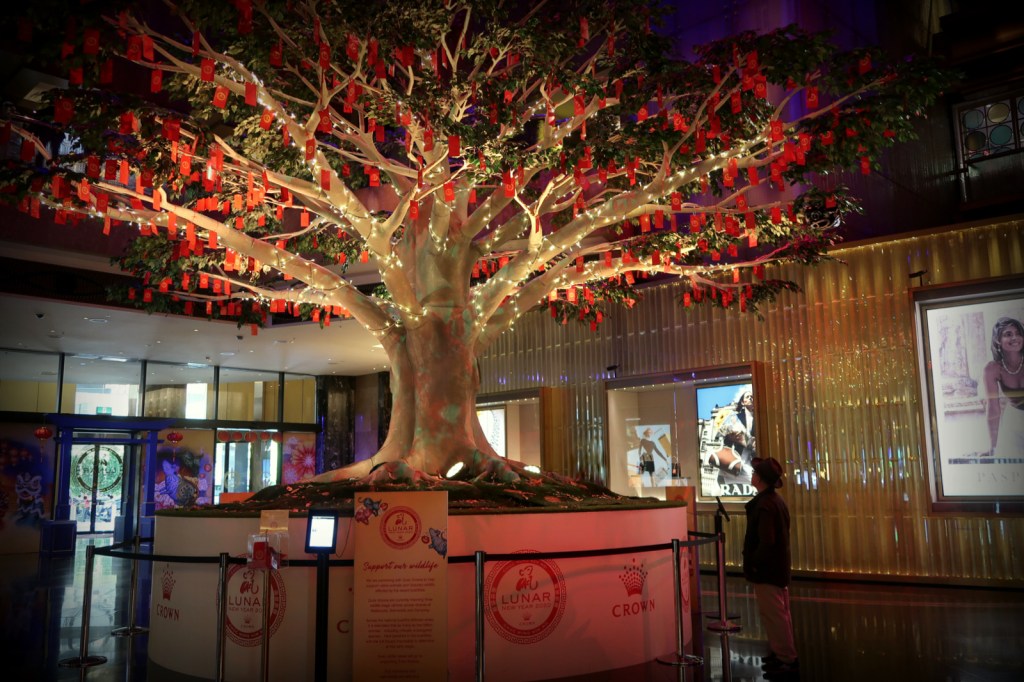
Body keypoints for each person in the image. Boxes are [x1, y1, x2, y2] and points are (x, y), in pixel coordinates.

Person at [743, 456, 798, 676]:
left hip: (768, 571)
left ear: (761, 479)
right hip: (777, 569)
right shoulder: (775, 501)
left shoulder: (765, 505)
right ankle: (782, 654)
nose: (752, 475)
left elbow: (767, 541)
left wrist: (754, 563)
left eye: (755, 473)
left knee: (774, 615)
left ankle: (786, 658)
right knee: (780, 613)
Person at [982, 317, 1024, 457]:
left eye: (1018, 333)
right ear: (998, 340)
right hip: (1015, 420)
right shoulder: (992, 369)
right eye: (1008, 334)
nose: (1015, 338)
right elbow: (993, 409)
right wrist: (992, 447)